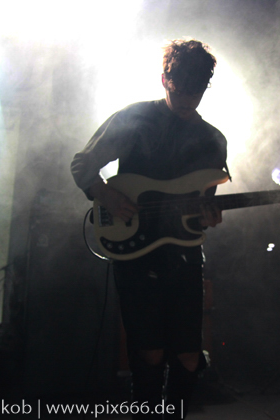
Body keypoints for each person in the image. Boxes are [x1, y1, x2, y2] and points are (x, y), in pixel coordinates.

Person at [71, 39, 228, 419]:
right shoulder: (136, 117)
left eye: (197, 91)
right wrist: (105, 194)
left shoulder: (213, 140)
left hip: (184, 253)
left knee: (189, 356)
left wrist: (208, 217)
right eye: (181, 89)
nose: (188, 99)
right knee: (150, 351)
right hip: (135, 249)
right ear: (164, 80)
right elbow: (82, 164)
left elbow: (202, 208)